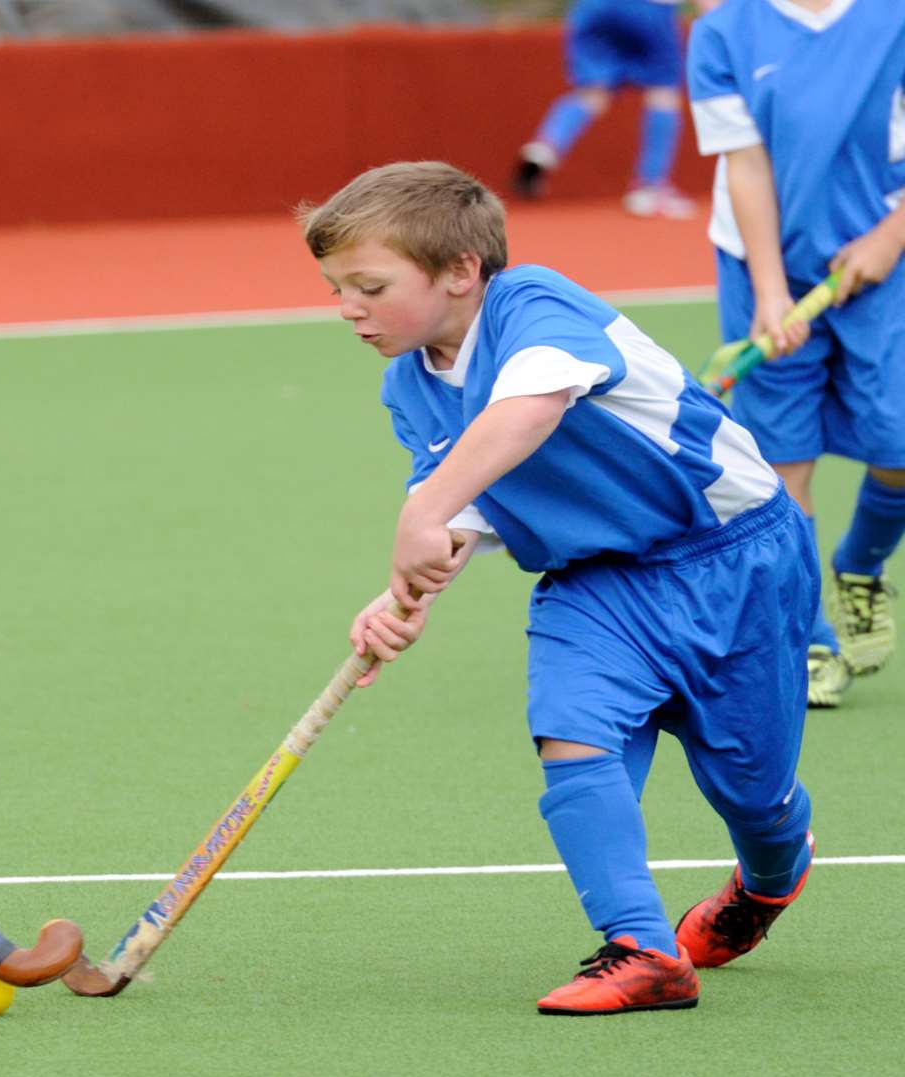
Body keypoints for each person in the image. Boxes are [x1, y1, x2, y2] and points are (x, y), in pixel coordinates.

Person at [301, 161, 815, 1016]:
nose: (348, 307)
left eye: (369, 286)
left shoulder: (537, 304)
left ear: (462, 270)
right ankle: (641, 948)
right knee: (572, 732)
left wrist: (428, 509)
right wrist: (406, 594)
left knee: (750, 790)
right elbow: (472, 505)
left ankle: (770, 877)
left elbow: (532, 404)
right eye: (336, 289)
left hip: (733, 557)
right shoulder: (409, 387)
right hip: (597, 581)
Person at [687, 0, 905, 708]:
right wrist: (771, 292)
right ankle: (811, 638)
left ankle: (860, 565)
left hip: (887, 254)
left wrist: (889, 238)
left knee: (899, 447)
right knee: (784, 460)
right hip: (763, 261)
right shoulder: (723, 33)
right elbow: (745, 166)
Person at [513, 0, 700, 219]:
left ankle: (546, 146)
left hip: (595, 7)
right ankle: (650, 187)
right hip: (651, 9)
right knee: (663, 94)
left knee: (592, 93)